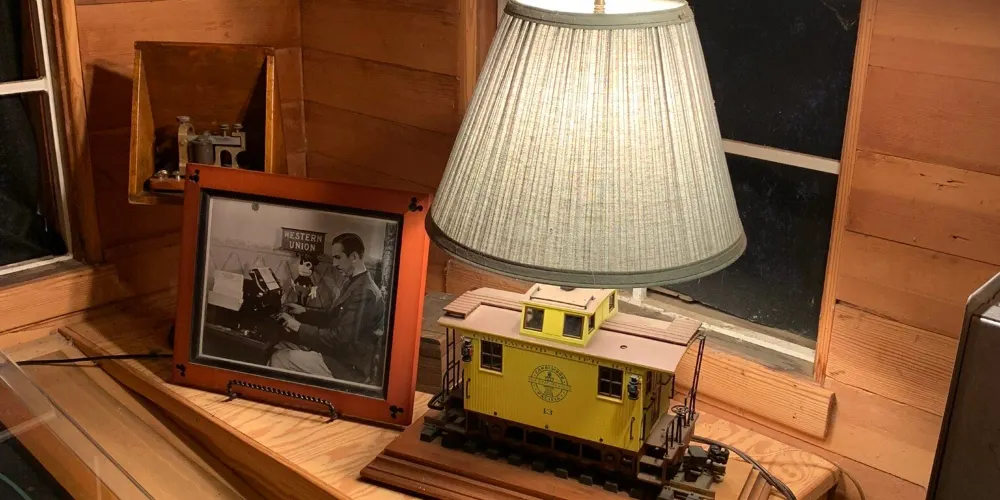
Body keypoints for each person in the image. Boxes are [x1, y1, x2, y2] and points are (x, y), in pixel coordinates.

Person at [270, 233, 385, 384]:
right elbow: (333, 316)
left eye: (338, 257)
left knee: (278, 357)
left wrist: (297, 326)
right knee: (280, 345)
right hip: (338, 354)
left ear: (354, 256)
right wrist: (304, 311)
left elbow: (340, 339)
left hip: (346, 367)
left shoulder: (365, 292)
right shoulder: (354, 282)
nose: (334, 264)